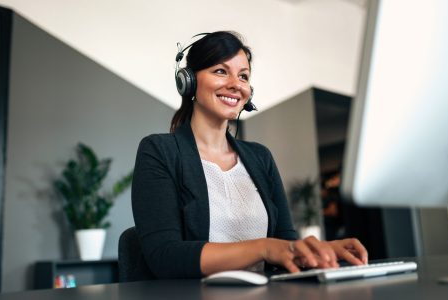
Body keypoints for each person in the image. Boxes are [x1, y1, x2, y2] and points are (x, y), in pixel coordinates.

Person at [131, 31, 368, 279]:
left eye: (243, 76)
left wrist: (319, 252)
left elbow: (285, 243)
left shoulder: (260, 157)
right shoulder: (159, 151)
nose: (235, 84)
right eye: (220, 71)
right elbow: (165, 256)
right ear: (188, 81)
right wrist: (263, 248)